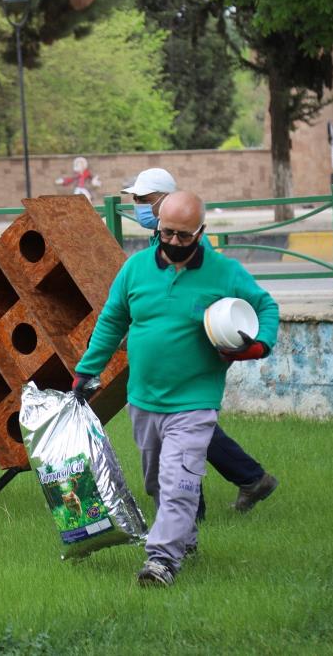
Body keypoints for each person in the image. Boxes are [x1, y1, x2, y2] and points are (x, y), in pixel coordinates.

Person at [74, 191, 279, 586]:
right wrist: (86, 371)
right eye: (167, 232)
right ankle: (184, 539)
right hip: (144, 400)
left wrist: (257, 344)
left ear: (201, 232)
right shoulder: (135, 270)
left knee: (178, 478)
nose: (173, 242)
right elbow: (112, 321)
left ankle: (162, 561)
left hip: (194, 401)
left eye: (184, 236)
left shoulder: (224, 272)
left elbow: (266, 306)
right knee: (155, 481)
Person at [122, 168, 279, 520]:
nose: (137, 208)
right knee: (188, 436)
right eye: (134, 201)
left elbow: (248, 302)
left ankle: (213, 500)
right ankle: (245, 482)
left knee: (190, 434)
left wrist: (256, 345)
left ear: (165, 201)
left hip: (194, 367)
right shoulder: (154, 247)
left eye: (143, 201)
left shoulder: (194, 250)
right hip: (165, 376)